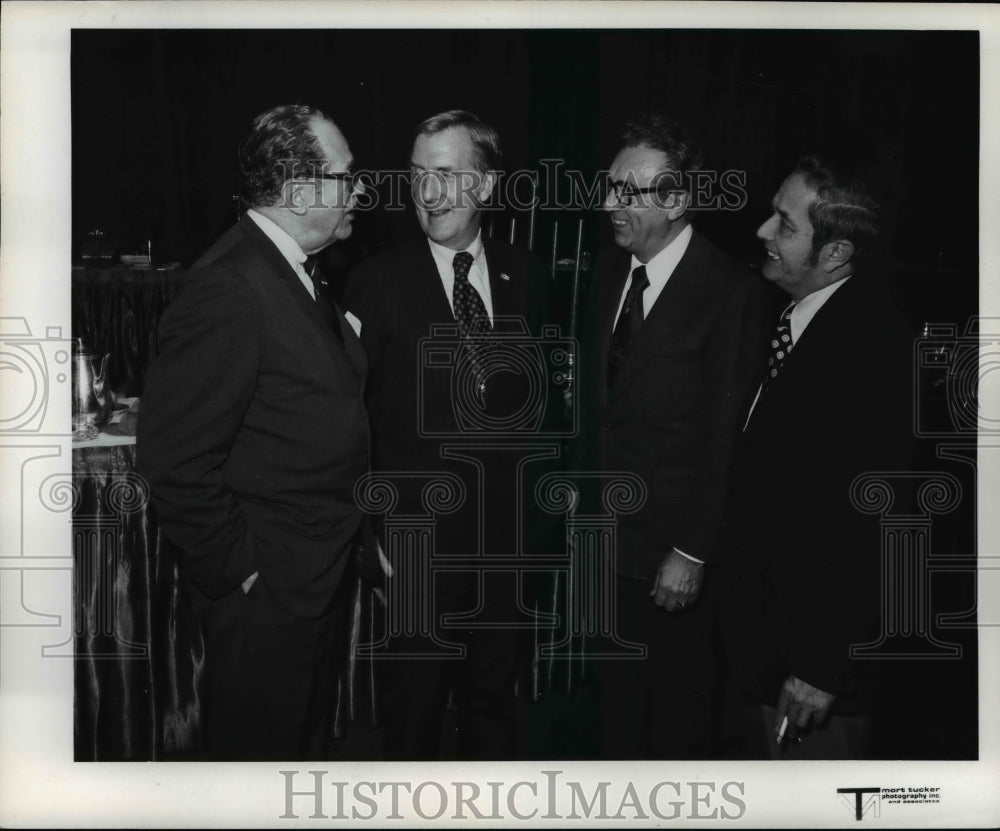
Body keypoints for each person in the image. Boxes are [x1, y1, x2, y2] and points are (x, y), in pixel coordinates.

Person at [137, 104, 368, 760]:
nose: (358, 191)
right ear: (299, 193)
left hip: (311, 581)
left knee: (298, 756)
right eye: (346, 177)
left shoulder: (290, 267)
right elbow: (172, 461)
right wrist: (245, 572)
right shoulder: (231, 287)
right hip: (269, 600)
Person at [343, 110, 549, 760]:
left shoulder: (529, 276)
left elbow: (538, 419)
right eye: (417, 176)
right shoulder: (373, 284)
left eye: (446, 175)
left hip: (504, 557)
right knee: (413, 721)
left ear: (485, 185)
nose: (428, 194)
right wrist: (368, 538)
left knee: (493, 715)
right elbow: (350, 426)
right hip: (416, 555)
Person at [581, 114, 769, 759]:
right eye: (610, 187)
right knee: (614, 717)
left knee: (671, 729)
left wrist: (691, 551)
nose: (609, 203)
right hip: (606, 551)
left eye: (626, 192)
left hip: (672, 564)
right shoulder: (609, 273)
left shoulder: (730, 294)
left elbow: (726, 440)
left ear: (678, 200)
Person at [719, 155, 915, 759]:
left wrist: (822, 665)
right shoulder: (796, 320)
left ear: (834, 254)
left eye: (784, 224)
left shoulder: (873, 347)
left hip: (811, 674)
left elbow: (879, 522)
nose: (762, 233)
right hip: (769, 649)